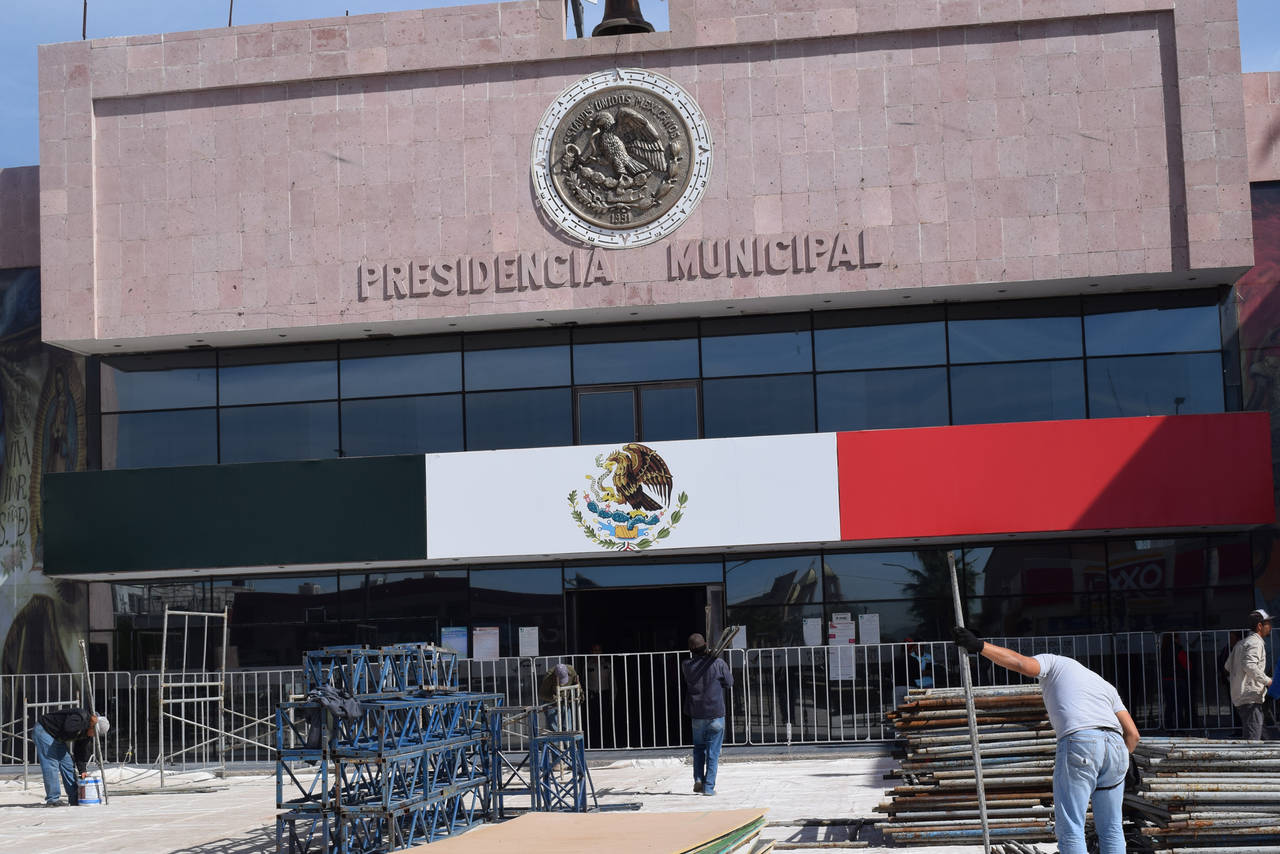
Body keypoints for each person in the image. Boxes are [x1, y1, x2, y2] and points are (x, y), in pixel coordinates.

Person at [952, 627, 1139, 854]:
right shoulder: (1104, 685)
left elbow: (1021, 663)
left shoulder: (1054, 663)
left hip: (1081, 741)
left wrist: (980, 646)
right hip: (1117, 747)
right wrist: (1124, 760)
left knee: (1071, 827)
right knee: (1111, 828)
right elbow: (1133, 734)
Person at [680, 633, 733, 796]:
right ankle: (709, 787)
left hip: (697, 714)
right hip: (715, 713)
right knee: (713, 752)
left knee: (698, 748)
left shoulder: (686, 665)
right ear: (706, 646)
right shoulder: (718, 663)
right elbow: (729, 682)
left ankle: (698, 778)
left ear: (690, 650)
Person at [33, 706, 109, 807]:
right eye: (94, 733)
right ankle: (53, 800)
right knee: (51, 764)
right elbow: (68, 728)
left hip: (57, 738)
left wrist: (82, 770)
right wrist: (87, 724)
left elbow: (80, 751)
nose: (93, 736)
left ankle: (74, 798)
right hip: (44, 731)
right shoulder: (80, 716)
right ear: (92, 726)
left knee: (68, 764)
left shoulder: (87, 733)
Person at [1224, 608, 1273, 740]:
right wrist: (1268, 681)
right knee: (1253, 739)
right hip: (1250, 697)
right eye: (1268, 624)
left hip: (1241, 697)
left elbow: (1227, 666)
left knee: (1261, 735)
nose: (1270, 627)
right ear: (1259, 626)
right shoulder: (1255, 643)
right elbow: (1249, 666)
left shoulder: (1241, 643)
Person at [539, 662, 579, 732]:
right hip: (550, 702)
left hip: (564, 700)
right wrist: (553, 697)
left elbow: (577, 683)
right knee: (554, 727)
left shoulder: (571, 671)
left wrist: (580, 693)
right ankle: (555, 738)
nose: (562, 684)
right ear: (555, 675)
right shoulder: (549, 676)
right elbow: (542, 694)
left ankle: (567, 738)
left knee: (567, 726)